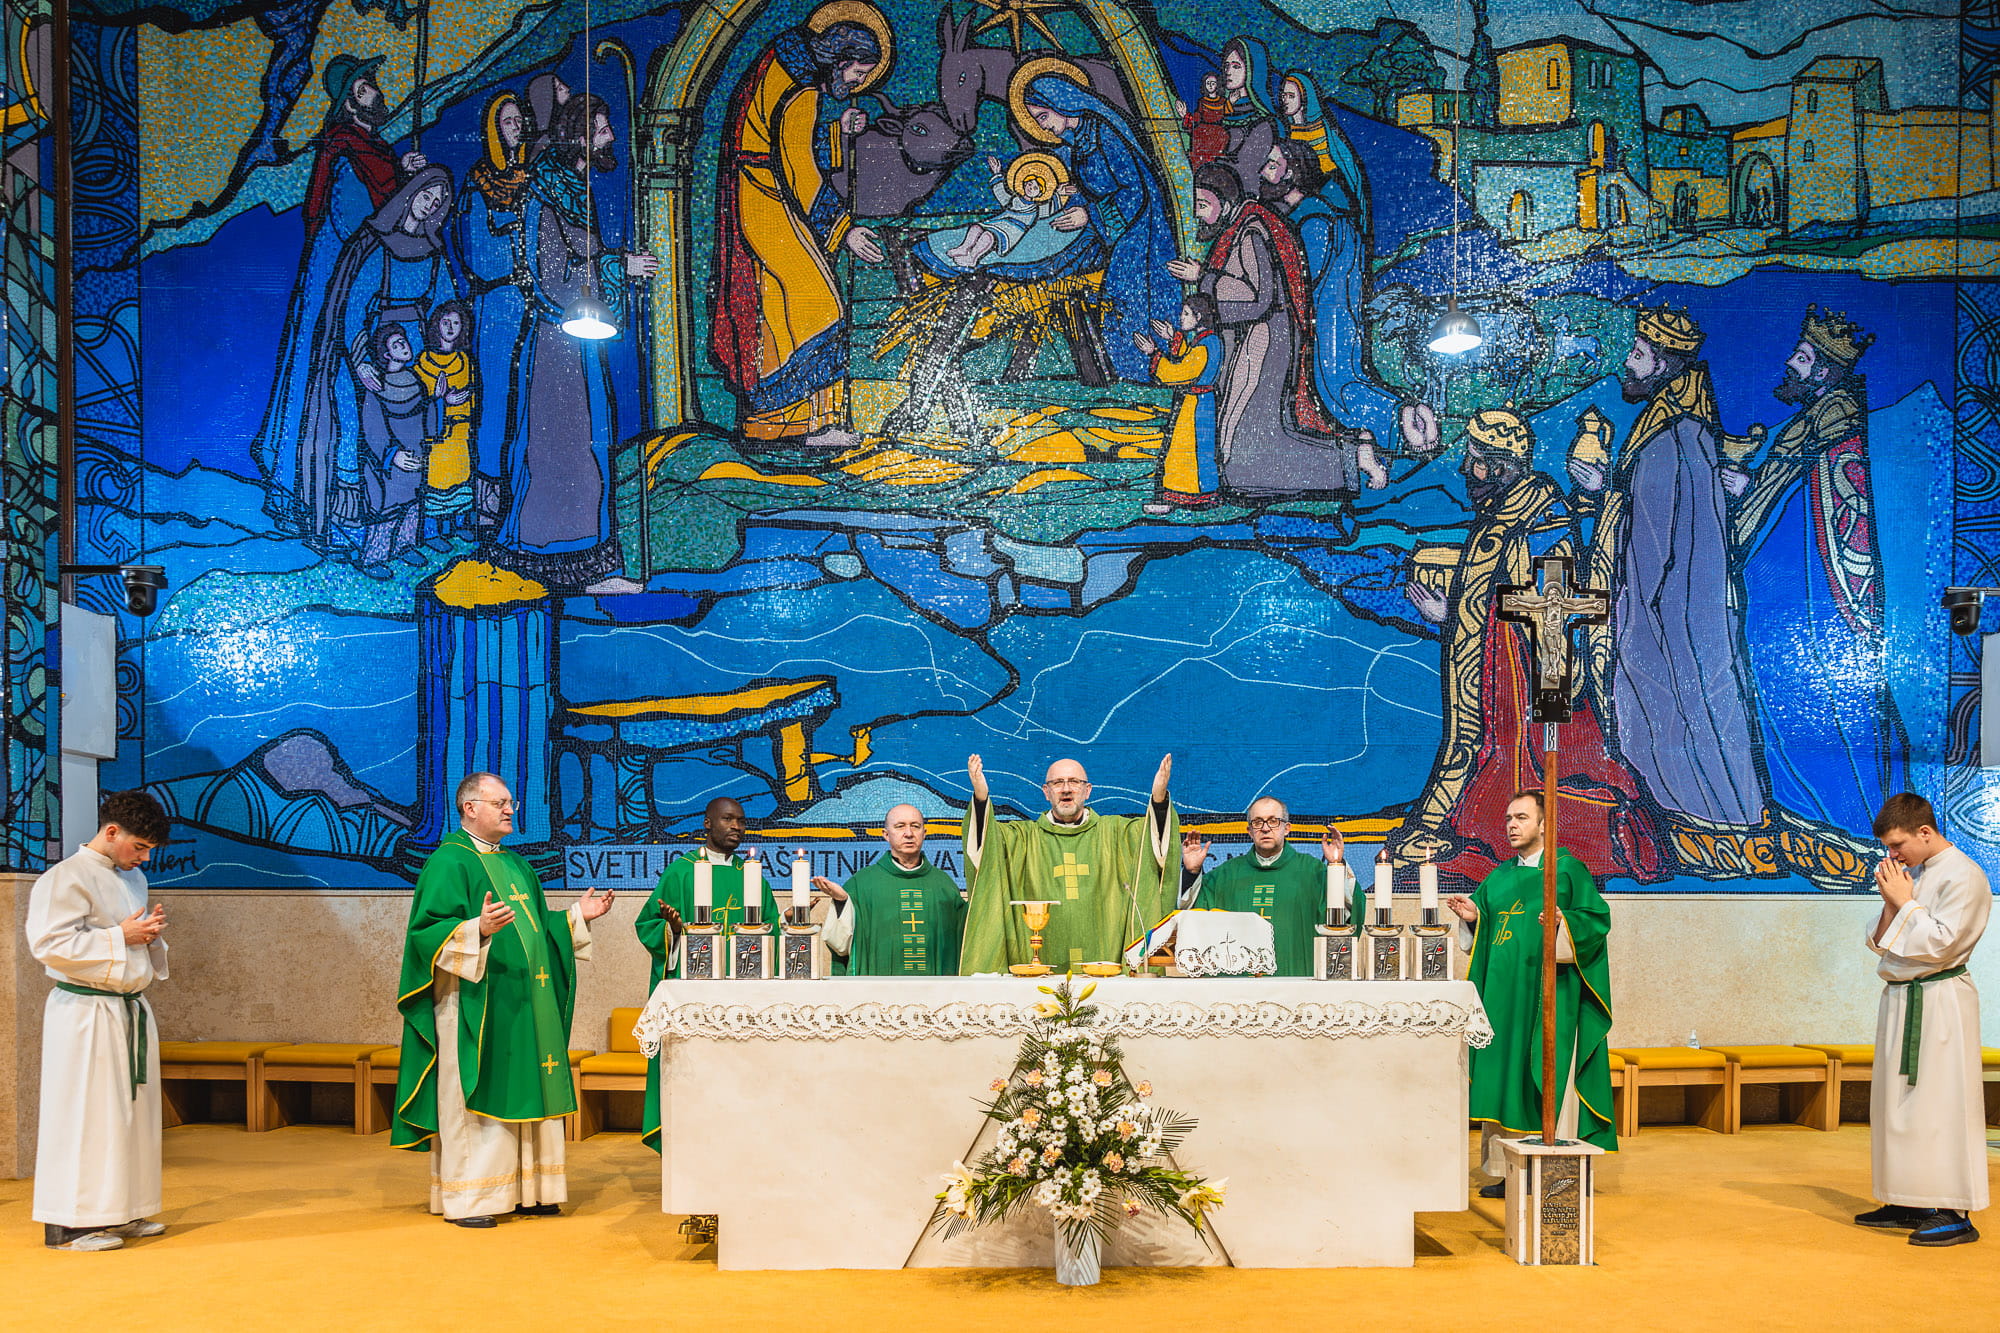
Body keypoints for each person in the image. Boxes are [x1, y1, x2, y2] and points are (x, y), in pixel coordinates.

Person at [1397, 410, 1660, 884]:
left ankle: (1561, 835)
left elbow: (1550, 603)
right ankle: (1450, 824)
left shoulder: (1542, 518)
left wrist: (1452, 615)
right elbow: (1494, 581)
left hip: (1526, 681)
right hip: (1499, 671)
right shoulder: (1505, 510)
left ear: (1501, 467)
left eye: (1476, 461)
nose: (1465, 470)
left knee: (1522, 766)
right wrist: (1450, 611)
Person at [1571, 305, 1765, 838]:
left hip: (1664, 613)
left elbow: (1660, 537)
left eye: (1637, 355)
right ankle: (1689, 813)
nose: (1626, 365)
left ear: (1662, 363)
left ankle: (1705, 816)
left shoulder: (1674, 439)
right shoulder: (1673, 430)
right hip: (1661, 607)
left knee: (1679, 706)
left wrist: (1602, 491)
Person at [390, 773, 616, 1226]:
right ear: (470, 807)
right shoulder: (449, 862)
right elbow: (425, 934)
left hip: (525, 1006)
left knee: (530, 1087)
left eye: (510, 802)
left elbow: (536, 931)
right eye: (500, 803)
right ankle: (472, 1198)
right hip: (476, 1004)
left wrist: (575, 917)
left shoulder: (517, 866)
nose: (511, 809)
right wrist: (476, 928)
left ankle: (532, 1191)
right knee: (477, 1093)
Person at [1725, 306, 1909, 836]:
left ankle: (1844, 821)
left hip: (1817, 596)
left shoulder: (1834, 423)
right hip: (1794, 594)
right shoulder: (1817, 421)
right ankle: (1811, 815)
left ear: (1825, 370)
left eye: (1802, 358)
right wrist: (1752, 489)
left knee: (1828, 710)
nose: (1790, 363)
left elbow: (1810, 510)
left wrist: (1748, 490)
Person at [711, 5, 888, 448]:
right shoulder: (802, 87)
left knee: (776, 313)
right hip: (765, 200)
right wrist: (844, 230)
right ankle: (811, 424)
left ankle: (778, 425)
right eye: (857, 74)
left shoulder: (784, 63)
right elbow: (799, 169)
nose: (856, 84)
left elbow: (776, 138)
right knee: (821, 305)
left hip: (758, 190)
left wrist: (836, 132)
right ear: (840, 60)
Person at [502, 94, 656, 594]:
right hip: (556, 344)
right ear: (580, 136)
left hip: (579, 342)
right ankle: (552, 560)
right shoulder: (545, 193)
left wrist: (610, 267)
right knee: (559, 449)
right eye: (603, 128)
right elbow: (549, 277)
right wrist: (617, 266)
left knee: (588, 444)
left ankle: (588, 561)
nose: (611, 136)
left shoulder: (574, 189)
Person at [1444, 788, 1615, 1198]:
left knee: (1547, 1073)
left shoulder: (1567, 872)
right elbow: (1485, 934)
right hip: (1503, 1002)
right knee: (1505, 1078)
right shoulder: (1498, 877)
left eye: (1521, 817)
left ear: (1544, 824)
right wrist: (1474, 918)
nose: (1511, 825)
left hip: (1548, 999)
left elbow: (1596, 923)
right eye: (1508, 818)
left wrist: (1564, 923)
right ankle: (1510, 1172)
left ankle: (1556, 1172)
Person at [28, 790, 173, 1251]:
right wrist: (119, 936)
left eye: (149, 850)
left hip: (127, 1008)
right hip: (86, 1013)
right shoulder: (65, 877)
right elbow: (49, 946)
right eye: (139, 847)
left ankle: (120, 1211)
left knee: (129, 1116)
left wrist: (148, 936)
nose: (144, 858)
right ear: (111, 832)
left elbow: (127, 938)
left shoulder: (132, 878)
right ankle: (68, 1226)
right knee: (84, 1117)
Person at [1169, 165, 1358, 500]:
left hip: (1265, 346)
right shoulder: (1237, 229)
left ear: (1226, 201)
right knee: (1244, 455)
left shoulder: (1251, 232)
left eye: (1203, 204)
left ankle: (1352, 461)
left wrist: (1204, 277)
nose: (1198, 213)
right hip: (1255, 344)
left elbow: (1259, 297)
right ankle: (1349, 460)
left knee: (1247, 458)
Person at [1852, 792, 1989, 1246]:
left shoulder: (1964, 875)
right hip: (1901, 997)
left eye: (1898, 845)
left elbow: (1943, 944)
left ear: (1925, 832)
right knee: (1897, 1105)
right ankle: (1907, 1199)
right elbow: (1880, 942)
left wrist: (1905, 902)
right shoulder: (1916, 874)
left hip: (1940, 999)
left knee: (1940, 1104)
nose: (1893, 855)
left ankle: (1954, 1211)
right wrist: (1892, 902)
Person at [1010, 69, 1180, 382]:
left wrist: (1090, 215)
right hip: (1118, 232)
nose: (1042, 126)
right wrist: (1075, 194)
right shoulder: (1078, 141)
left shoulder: (1104, 133)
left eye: (1043, 116)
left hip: (1139, 232)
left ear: (1062, 104)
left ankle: (1147, 372)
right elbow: (1097, 185)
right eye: (1036, 120)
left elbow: (1133, 190)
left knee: (1129, 297)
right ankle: (1130, 373)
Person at [636, 797, 779, 1152]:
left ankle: (742, 1149)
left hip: (744, 1001)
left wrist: (784, 926)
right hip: (695, 1001)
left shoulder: (751, 875)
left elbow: (770, 931)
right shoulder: (682, 872)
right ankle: (690, 1151)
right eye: (728, 819)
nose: (737, 827)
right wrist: (673, 930)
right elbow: (647, 924)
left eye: (741, 821)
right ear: (707, 823)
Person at [959, 754, 1178, 973]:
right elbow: (987, 846)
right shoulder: (1022, 839)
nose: (1066, 789)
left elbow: (1151, 839)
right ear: (1046, 792)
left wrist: (1158, 801)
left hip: (1106, 971)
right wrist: (981, 799)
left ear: (1087, 790)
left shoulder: (1116, 834)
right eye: (1057, 783)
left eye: (1074, 782)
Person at [1180, 798, 1364, 976]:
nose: (1265, 828)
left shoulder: (1312, 871)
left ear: (1287, 828)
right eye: (1257, 822)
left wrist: (1336, 866)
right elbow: (1193, 917)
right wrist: (1192, 873)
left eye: (1273, 821)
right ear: (1249, 831)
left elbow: (1348, 914)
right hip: (1240, 988)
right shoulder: (1225, 874)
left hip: (1297, 982)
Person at [815, 803, 966, 975]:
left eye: (915, 826)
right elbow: (839, 945)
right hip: (879, 989)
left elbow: (968, 937)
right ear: (886, 835)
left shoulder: (944, 885)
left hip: (936, 990)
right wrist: (842, 902)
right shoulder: (862, 884)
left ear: (924, 833)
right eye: (900, 826)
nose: (909, 833)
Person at [1133, 291, 1225, 510]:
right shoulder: (1210, 340)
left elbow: (1180, 373)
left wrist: (1153, 353)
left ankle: (1186, 497)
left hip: (1196, 406)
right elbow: (1191, 359)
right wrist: (1173, 337)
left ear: (1199, 317)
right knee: (1195, 452)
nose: (1181, 318)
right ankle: (1194, 496)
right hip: (1201, 402)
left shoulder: (1204, 345)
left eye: (1186, 314)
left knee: (1186, 452)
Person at [921, 152, 1079, 272]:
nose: (1031, 188)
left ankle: (972, 258)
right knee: (976, 227)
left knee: (988, 236)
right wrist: (997, 173)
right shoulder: (1014, 199)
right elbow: (1001, 193)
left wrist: (1059, 193)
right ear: (1023, 184)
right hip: (998, 221)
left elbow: (1051, 207)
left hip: (1011, 231)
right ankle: (963, 248)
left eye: (1035, 187)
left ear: (1040, 193)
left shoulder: (1037, 208)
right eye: (1029, 184)